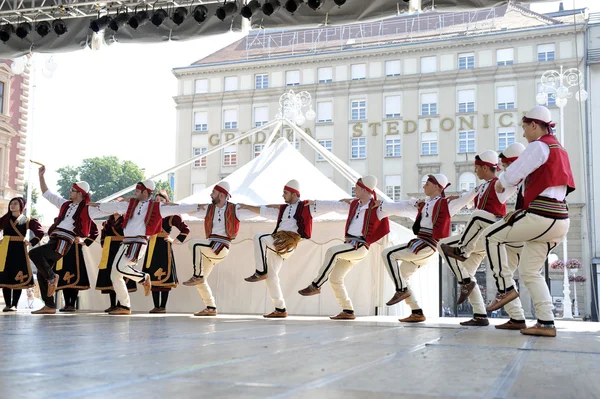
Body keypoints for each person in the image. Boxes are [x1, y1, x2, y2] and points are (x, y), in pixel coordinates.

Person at [485, 106, 575, 337]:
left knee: (490, 236)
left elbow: (514, 173)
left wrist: (501, 182)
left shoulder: (540, 145)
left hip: (542, 216)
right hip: (559, 221)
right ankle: (546, 322)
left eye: (525, 127)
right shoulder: (559, 149)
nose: (524, 133)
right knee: (530, 271)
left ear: (534, 125)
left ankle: (504, 289)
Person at [437, 150, 519, 326]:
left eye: (476, 168)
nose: (475, 171)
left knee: (443, 244)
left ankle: (464, 278)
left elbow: (513, 183)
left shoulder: (500, 184)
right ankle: (480, 314)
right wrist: (449, 200)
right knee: (468, 272)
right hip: (479, 240)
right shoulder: (481, 186)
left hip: (489, 234)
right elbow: (466, 197)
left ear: (484, 167)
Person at [94, 179, 201, 315]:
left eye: (137, 190)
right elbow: (113, 207)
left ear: (145, 192)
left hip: (138, 242)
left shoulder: (157, 207)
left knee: (119, 268)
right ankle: (125, 306)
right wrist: (96, 206)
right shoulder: (130, 205)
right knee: (115, 275)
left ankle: (143, 278)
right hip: (126, 242)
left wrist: (197, 206)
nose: (135, 193)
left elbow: (179, 208)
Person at [380, 174, 471, 323]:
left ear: (436, 186)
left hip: (426, 245)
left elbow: (465, 199)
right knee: (402, 275)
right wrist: (383, 205)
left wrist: (467, 194)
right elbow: (405, 204)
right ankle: (416, 311)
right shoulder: (426, 204)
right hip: (422, 245)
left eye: (427, 184)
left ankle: (401, 290)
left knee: (387, 253)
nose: (424, 187)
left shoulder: (446, 203)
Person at [297, 175, 389, 320]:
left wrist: (416, 204)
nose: (354, 189)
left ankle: (316, 285)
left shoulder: (378, 206)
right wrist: (315, 203)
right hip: (349, 246)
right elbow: (334, 205)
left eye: (357, 188)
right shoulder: (354, 204)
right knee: (335, 278)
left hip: (360, 246)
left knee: (332, 251)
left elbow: (397, 208)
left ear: (365, 190)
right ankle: (348, 310)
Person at [240, 179, 322, 318]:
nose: (283, 196)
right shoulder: (283, 209)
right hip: (277, 243)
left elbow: (331, 207)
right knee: (271, 276)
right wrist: (246, 206)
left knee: (259, 238)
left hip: (287, 243)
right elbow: (263, 211)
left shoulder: (306, 206)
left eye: (285, 193)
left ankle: (260, 271)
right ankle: (280, 309)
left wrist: (347, 202)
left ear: (294, 194)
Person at [29, 166, 106, 315]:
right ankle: (50, 305)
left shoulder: (88, 209)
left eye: (72, 190)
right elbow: (47, 193)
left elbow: (113, 209)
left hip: (64, 241)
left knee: (34, 253)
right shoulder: (64, 204)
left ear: (80, 193)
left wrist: (103, 206)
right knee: (40, 273)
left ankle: (52, 278)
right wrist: (41, 176)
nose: (69, 192)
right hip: (54, 239)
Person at [183, 181, 245, 317]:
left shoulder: (235, 209)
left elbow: (260, 211)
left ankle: (196, 275)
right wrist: (170, 206)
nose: (211, 195)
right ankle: (210, 307)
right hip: (210, 248)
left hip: (222, 247)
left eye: (213, 192)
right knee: (202, 281)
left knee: (194, 243)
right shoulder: (209, 209)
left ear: (222, 195)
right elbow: (190, 210)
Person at [144, 190, 189, 313]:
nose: (159, 202)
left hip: (164, 247)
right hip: (152, 246)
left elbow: (185, 229)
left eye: (162, 200)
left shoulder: (171, 215)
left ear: (166, 201)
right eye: (157, 200)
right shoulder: (151, 214)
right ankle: (155, 306)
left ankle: (162, 306)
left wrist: (173, 240)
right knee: (152, 276)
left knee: (164, 276)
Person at [0, 197, 44, 312]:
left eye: (15, 204)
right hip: (5, 249)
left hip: (20, 249)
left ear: (21, 206)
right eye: (11, 203)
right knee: (6, 276)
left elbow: (40, 231)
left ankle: (14, 304)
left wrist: (32, 242)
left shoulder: (27, 220)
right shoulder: (5, 219)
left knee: (18, 277)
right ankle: (7, 304)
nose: (12, 205)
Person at [95, 213, 137, 312]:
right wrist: (104, 243)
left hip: (121, 248)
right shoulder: (106, 223)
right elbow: (103, 236)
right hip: (109, 251)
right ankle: (112, 304)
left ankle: (121, 304)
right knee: (110, 275)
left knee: (120, 275)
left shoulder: (126, 221)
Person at [54, 222, 98, 312]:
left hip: (75, 250)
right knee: (63, 277)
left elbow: (95, 231)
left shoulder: (83, 218)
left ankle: (72, 304)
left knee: (75, 276)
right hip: (62, 249)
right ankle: (67, 304)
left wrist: (84, 241)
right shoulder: (60, 219)